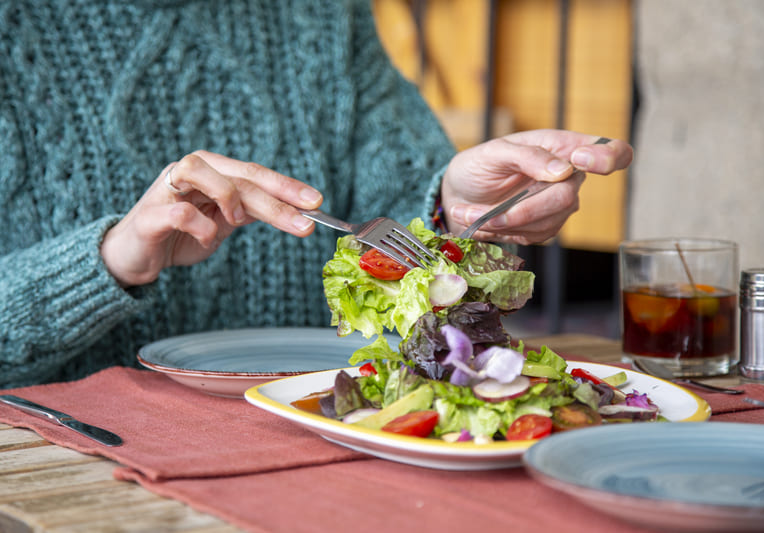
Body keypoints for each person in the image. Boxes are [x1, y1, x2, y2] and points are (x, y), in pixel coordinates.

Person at [0, 0, 632, 388]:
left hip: (319, 428)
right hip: (65, 464)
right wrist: (107, 261)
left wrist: (452, 203)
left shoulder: (321, 11)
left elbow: (403, 211)